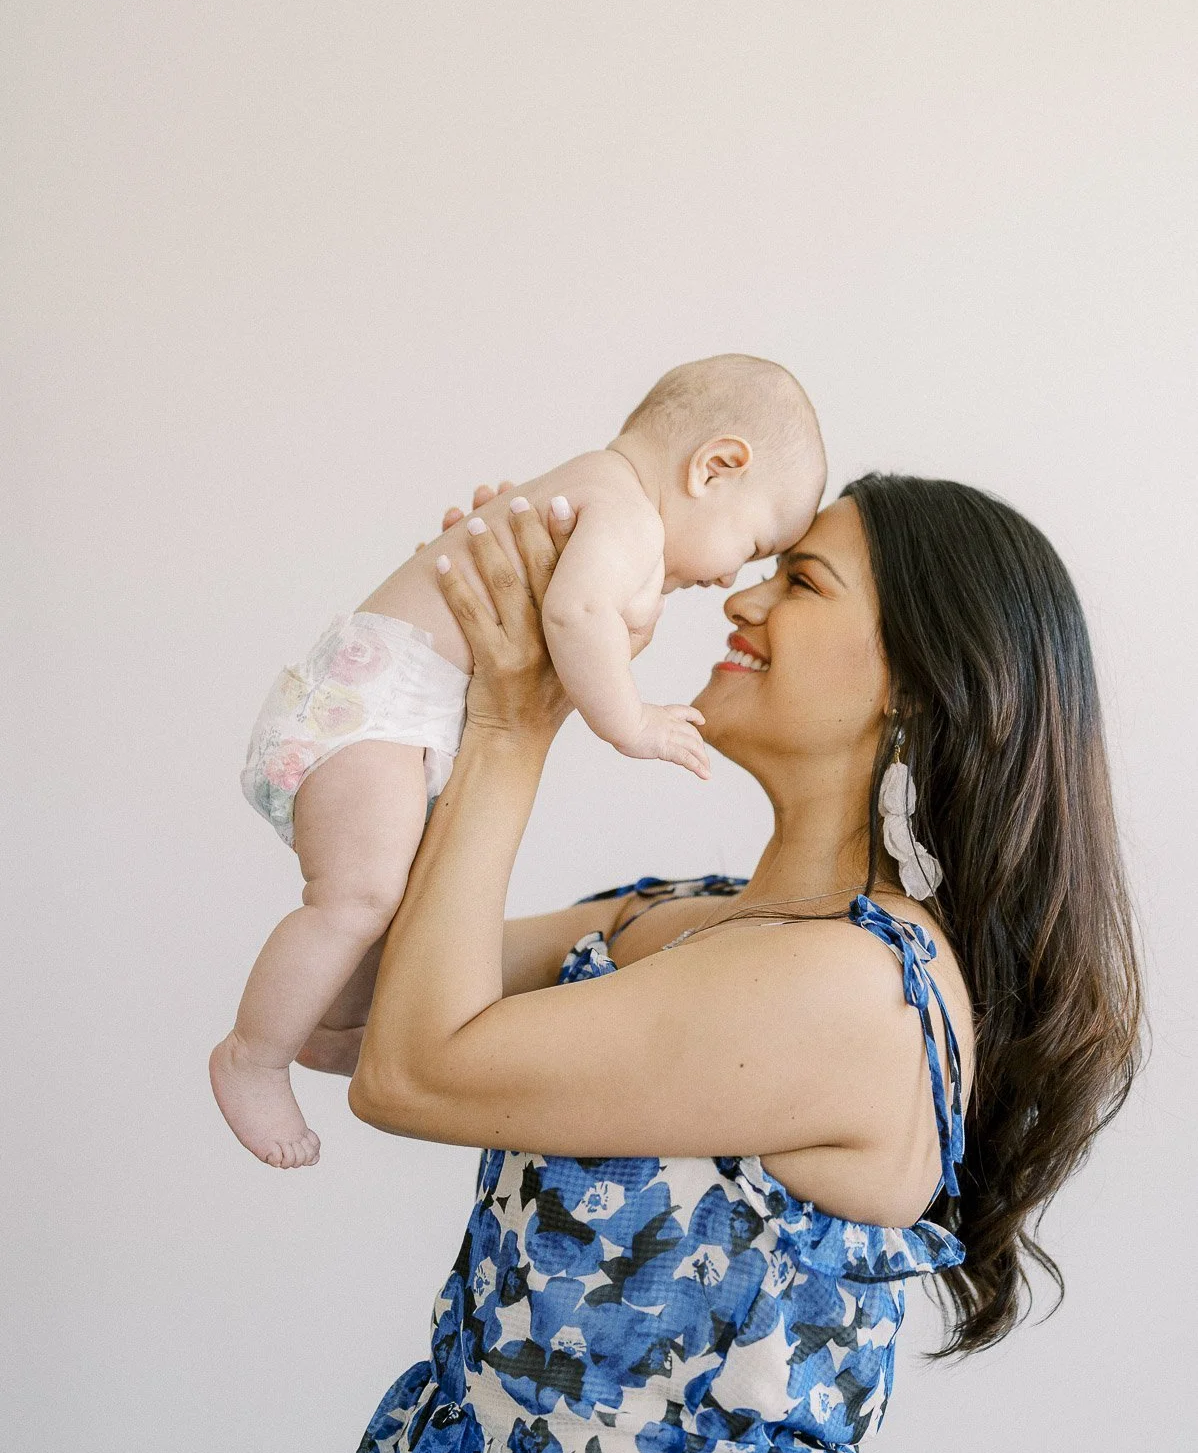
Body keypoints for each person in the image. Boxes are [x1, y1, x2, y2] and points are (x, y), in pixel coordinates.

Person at [343, 477, 1144, 1453]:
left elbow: (410, 1074)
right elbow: (355, 1007)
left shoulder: (852, 988)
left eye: (801, 581)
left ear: (916, 683)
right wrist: (451, 656)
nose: (740, 601)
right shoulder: (684, 919)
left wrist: (514, 723)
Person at [211, 354, 826, 1169]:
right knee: (355, 896)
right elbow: (575, 614)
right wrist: (631, 722)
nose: (725, 579)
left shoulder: (608, 501)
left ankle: (328, 1030)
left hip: (397, 724)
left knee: (391, 903)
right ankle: (251, 1056)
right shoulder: (624, 510)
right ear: (715, 466)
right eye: (751, 546)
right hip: (371, 715)